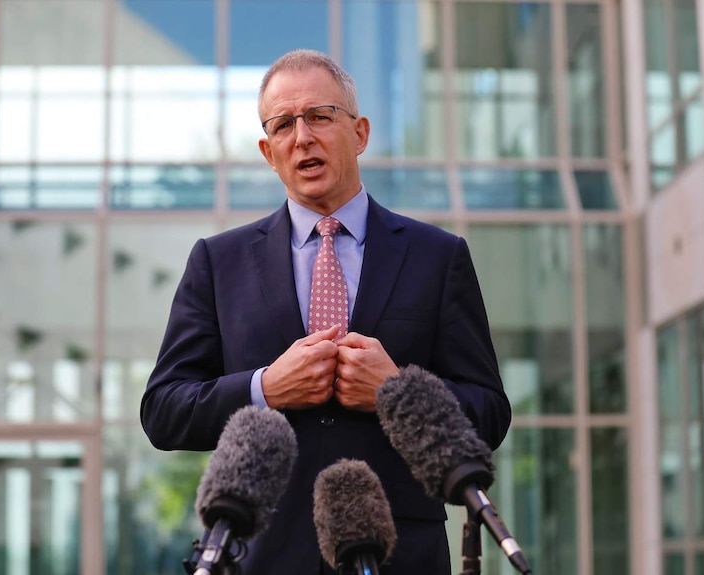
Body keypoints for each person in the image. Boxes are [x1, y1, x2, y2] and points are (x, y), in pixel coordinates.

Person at [141, 49, 511, 575]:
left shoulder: (437, 256)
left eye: (319, 116)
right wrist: (265, 388)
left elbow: (490, 412)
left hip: (398, 554)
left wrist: (398, 391)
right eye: (284, 125)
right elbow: (163, 410)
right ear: (269, 152)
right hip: (264, 554)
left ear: (359, 133)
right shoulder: (217, 262)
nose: (303, 137)